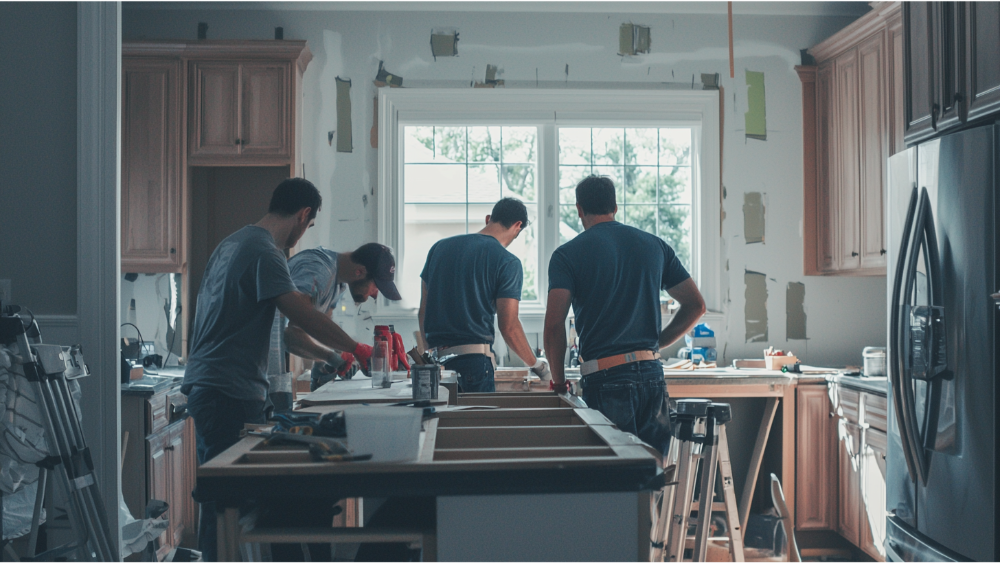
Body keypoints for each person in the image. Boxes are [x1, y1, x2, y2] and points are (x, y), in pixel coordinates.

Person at [181, 178, 388, 563]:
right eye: (307, 225)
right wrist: (354, 348)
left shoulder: (233, 242)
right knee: (226, 504)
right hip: (228, 389)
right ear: (303, 215)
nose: (304, 233)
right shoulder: (265, 252)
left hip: (211, 384)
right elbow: (300, 313)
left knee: (220, 501)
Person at [543, 175, 706, 455]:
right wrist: (658, 342)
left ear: (579, 209)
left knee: (612, 480)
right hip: (652, 375)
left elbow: (554, 325)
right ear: (615, 206)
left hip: (606, 378)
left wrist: (558, 382)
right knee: (652, 475)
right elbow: (696, 305)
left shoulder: (567, 255)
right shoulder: (655, 246)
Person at [418, 197, 550, 393]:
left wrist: (431, 353)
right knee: (474, 423)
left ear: (488, 218)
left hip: (436, 365)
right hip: (473, 366)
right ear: (517, 226)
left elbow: (423, 312)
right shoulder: (507, 262)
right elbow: (509, 327)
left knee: (442, 423)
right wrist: (538, 366)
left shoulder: (438, 248)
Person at [271, 244, 402, 392]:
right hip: (250, 370)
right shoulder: (318, 270)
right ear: (359, 271)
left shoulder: (337, 284)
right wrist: (352, 349)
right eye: (376, 286)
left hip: (268, 371)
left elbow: (312, 330)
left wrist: (327, 358)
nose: (375, 294)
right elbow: (290, 333)